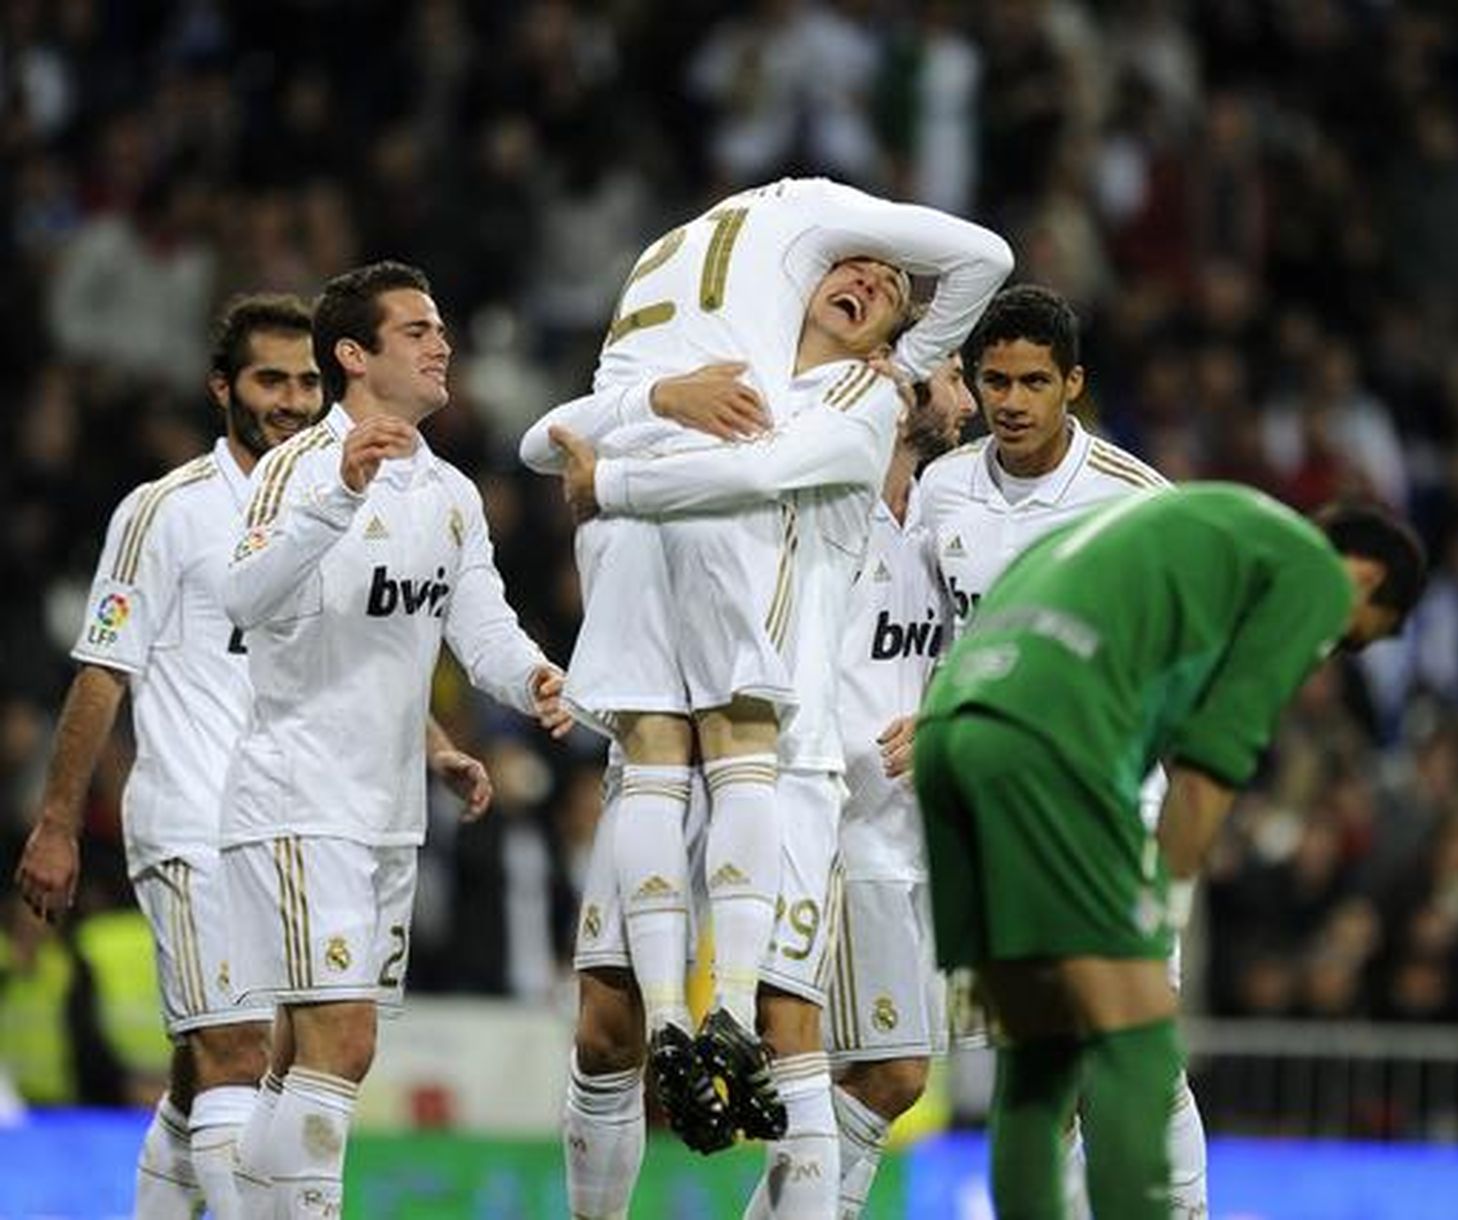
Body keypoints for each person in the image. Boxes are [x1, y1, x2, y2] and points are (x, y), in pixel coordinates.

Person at [521, 178, 1009, 1159]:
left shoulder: (872, 416)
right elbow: (546, 437)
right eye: (852, 267)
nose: (870, 276)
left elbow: (738, 472)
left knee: (797, 1047)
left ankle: (720, 1014)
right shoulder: (750, 387)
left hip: (795, 767)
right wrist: (659, 398)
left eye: (894, 298)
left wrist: (610, 481)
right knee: (603, 1029)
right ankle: (680, 1023)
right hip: (688, 738)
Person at [916, 484, 1426, 1220]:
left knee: (1040, 1056)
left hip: (949, 735)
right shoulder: (1311, 568)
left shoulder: (1184, 520)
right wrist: (1165, 901)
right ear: (1368, 578)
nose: (1329, 652)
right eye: (1350, 639)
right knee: (1140, 1042)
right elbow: (1207, 770)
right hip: (1050, 738)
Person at [219, 262, 567, 1217]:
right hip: (297, 797)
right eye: (416, 330)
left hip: (387, 812)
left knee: (310, 1053)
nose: (440, 343)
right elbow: (240, 598)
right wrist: (338, 495)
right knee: (343, 1039)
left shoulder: (451, 492)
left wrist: (539, 680)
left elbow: (480, 628)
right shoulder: (297, 466)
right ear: (353, 355)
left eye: (439, 327)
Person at [13, 295, 321, 1219]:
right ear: (222, 388)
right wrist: (59, 822)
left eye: (309, 381)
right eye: (272, 379)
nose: (294, 401)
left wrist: (431, 744)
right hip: (193, 818)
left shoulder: (336, 508)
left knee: (205, 1070)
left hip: (292, 826)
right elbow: (102, 675)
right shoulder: (166, 511)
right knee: (239, 1053)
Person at [919, 283, 1207, 1214]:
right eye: (994, 379)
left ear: (1072, 383)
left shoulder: (1134, 503)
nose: (1009, 401)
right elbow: (920, 635)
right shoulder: (940, 488)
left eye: (1032, 381)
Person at [824, 354, 977, 1219]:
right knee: (886, 1072)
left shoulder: (940, 522)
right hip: (845, 830)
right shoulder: (830, 515)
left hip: (916, 839)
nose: (968, 401)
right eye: (952, 377)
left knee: (879, 1076)